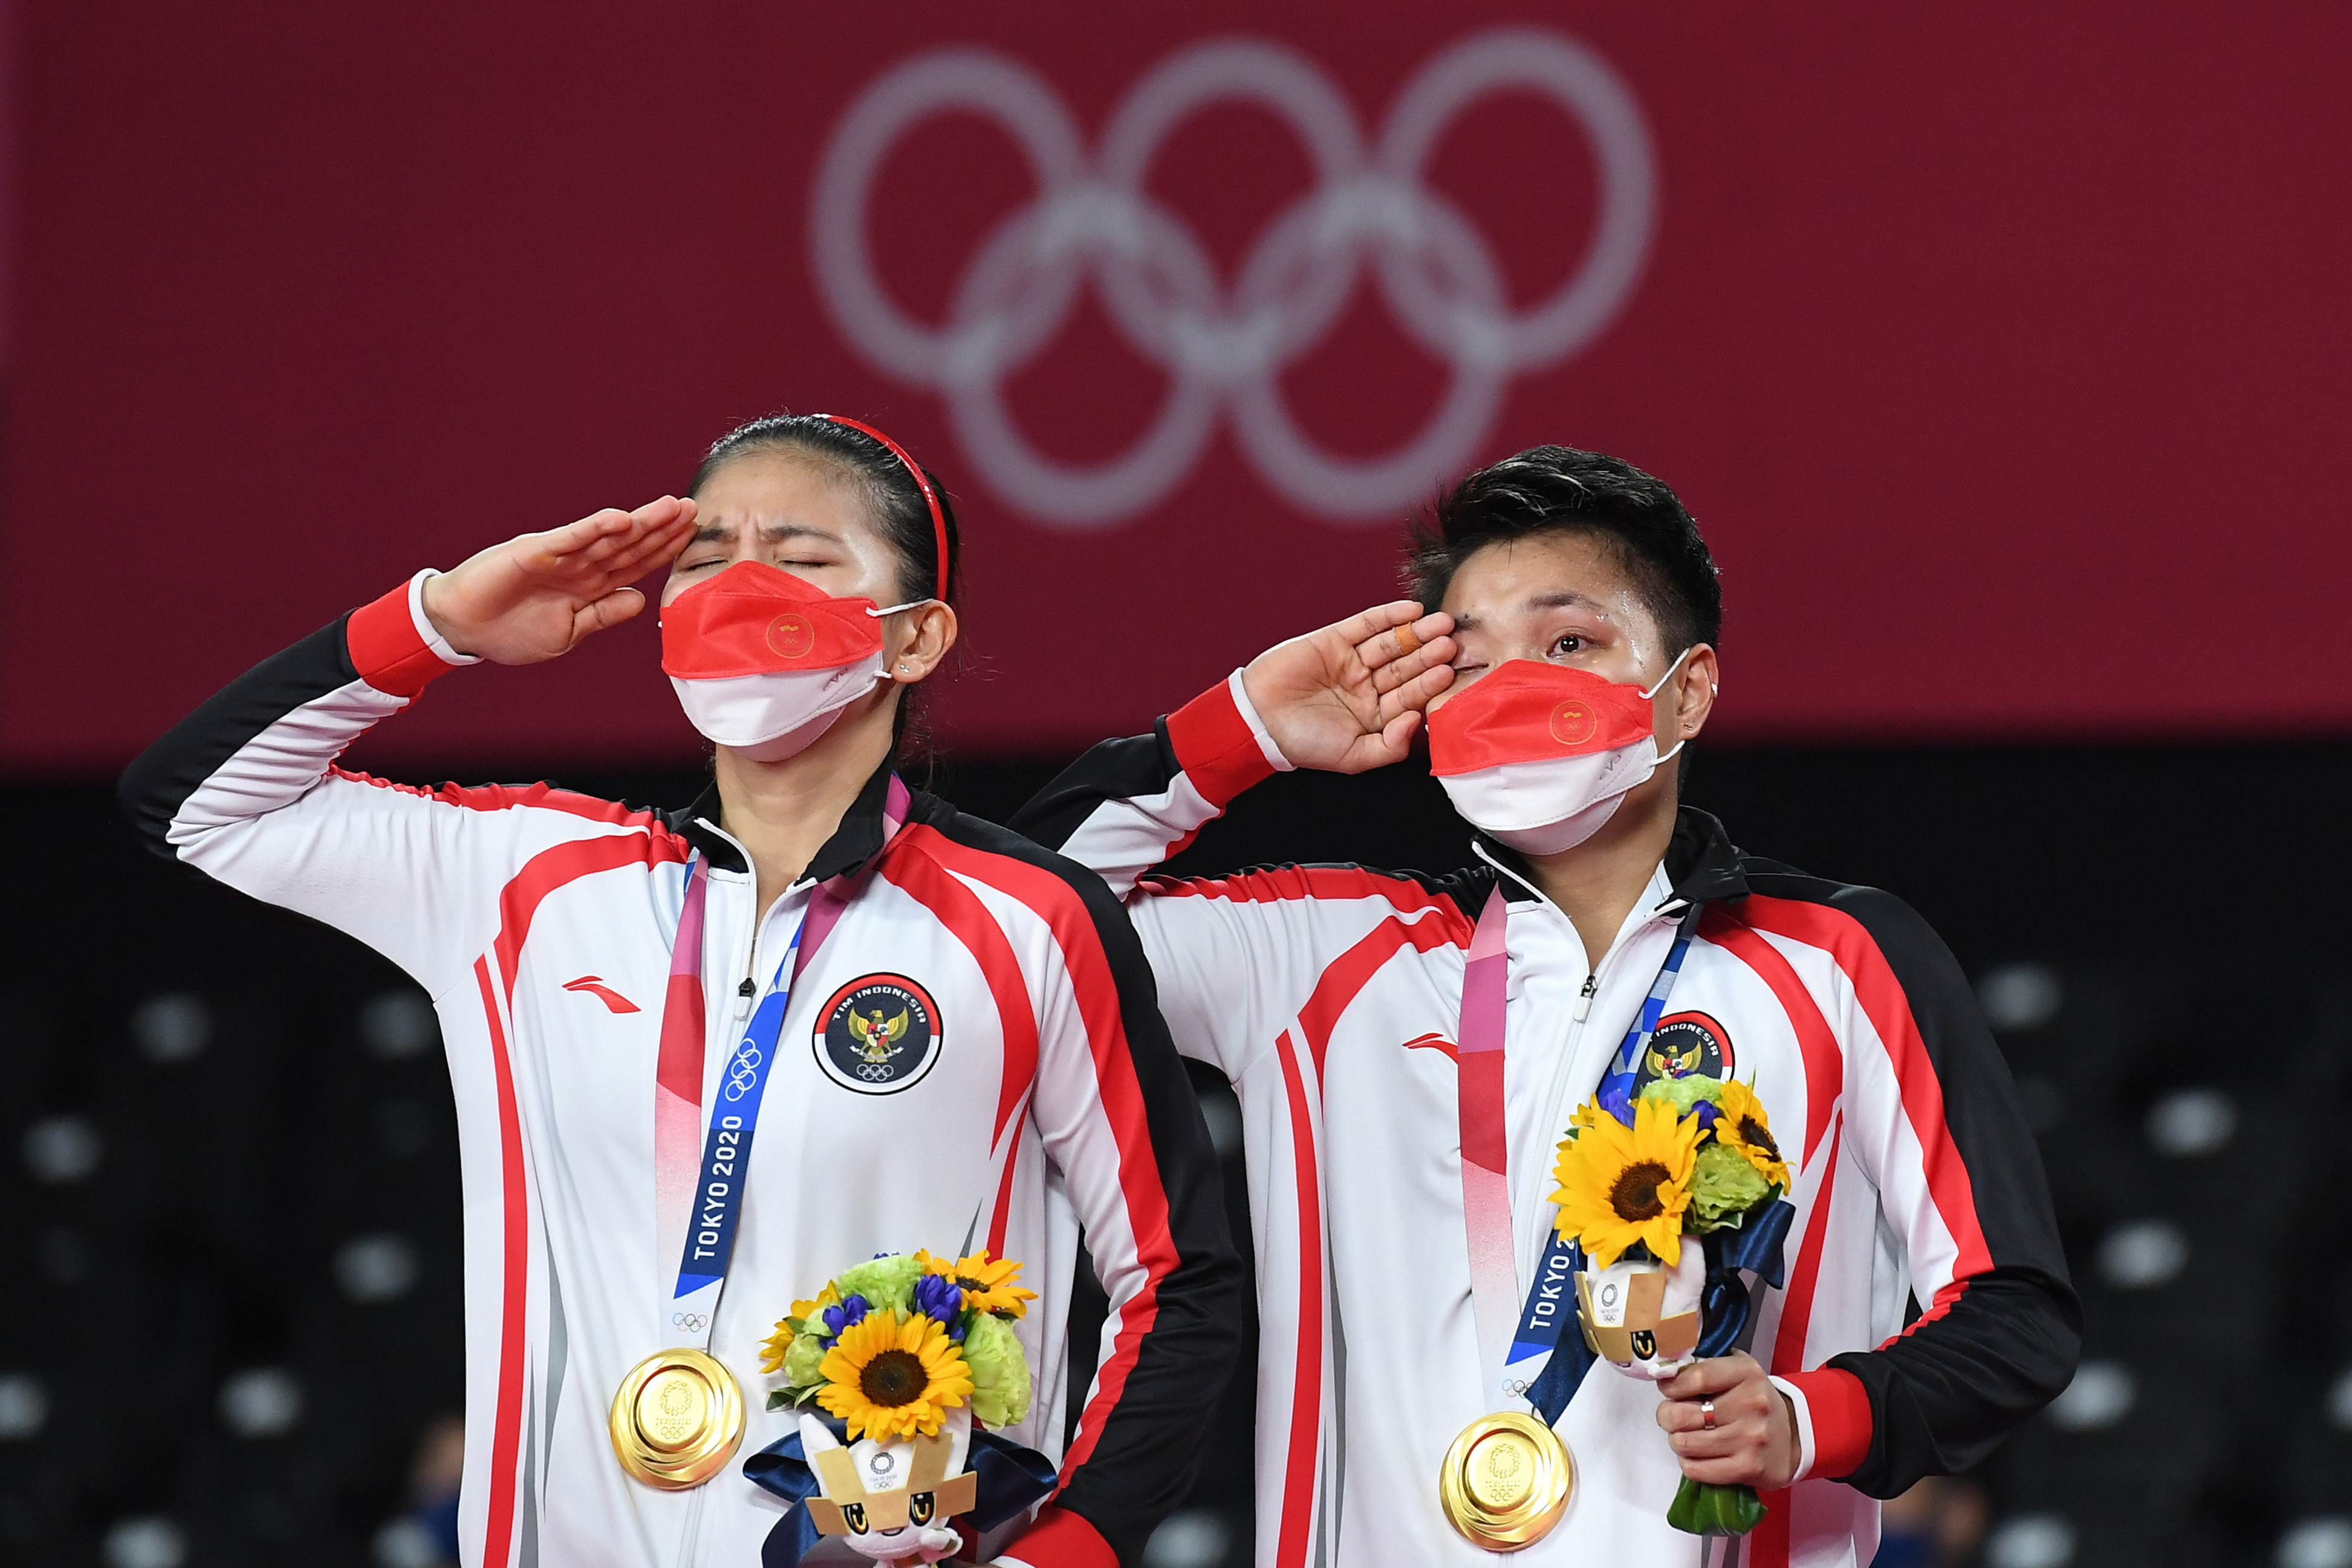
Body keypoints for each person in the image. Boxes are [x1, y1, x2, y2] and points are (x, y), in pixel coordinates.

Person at [120, 413, 1244, 1568]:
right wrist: (438, 624)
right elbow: (197, 805)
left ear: (914, 638)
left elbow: (1175, 1280)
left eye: (800, 556)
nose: (742, 587)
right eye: (706, 558)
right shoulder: (527, 882)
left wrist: (1059, 1557)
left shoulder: (1029, 919)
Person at [1012, 447, 2078, 1568]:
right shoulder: (1318, 957)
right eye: (1470, 663)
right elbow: (1003, 929)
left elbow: (2013, 1311)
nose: (1513, 689)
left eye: (1569, 642)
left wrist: (1809, 1419)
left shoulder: (1839, 960)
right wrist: (1240, 731)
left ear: (1688, 690)